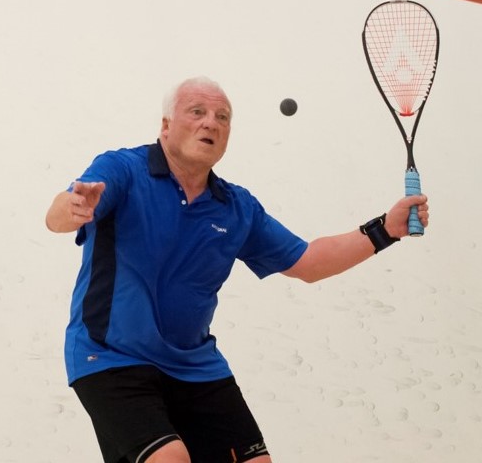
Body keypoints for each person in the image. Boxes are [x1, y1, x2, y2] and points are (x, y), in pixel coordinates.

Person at [45, 76, 429, 463]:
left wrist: (385, 230)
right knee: (170, 459)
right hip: (111, 357)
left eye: (222, 117)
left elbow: (309, 263)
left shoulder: (235, 207)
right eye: (197, 112)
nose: (210, 122)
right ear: (165, 125)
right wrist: (73, 209)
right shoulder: (123, 170)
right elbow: (58, 215)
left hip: (194, 367)